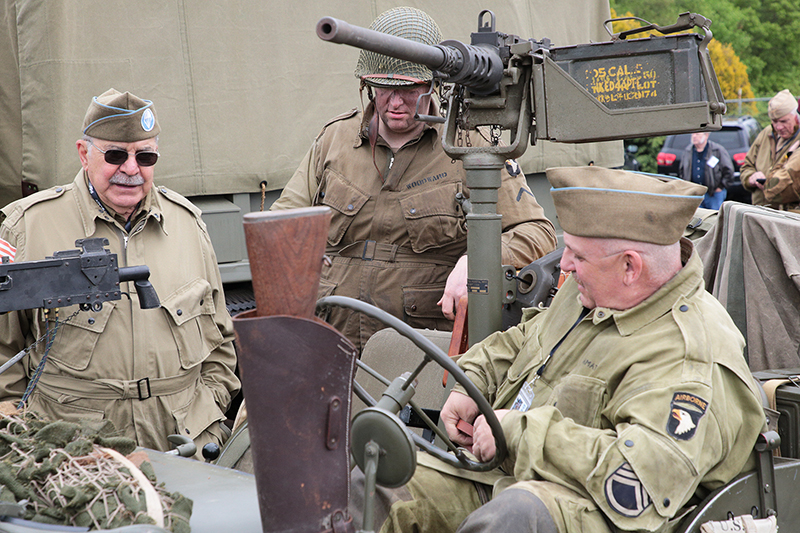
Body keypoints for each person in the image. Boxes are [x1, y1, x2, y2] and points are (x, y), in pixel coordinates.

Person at [355, 166, 767, 533]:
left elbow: (638, 483)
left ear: (630, 266)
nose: (563, 264)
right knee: (374, 482)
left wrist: (517, 433)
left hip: (607, 510)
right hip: (508, 476)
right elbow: (523, 341)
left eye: (578, 255)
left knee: (517, 515)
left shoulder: (690, 356)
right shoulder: (593, 291)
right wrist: (472, 384)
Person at [270, 7, 557, 352]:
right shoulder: (335, 140)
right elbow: (282, 223)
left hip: (419, 350)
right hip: (332, 337)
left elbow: (537, 233)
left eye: (409, 89)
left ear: (433, 84)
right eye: (383, 88)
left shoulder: (470, 145)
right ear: (367, 83)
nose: (394, 103)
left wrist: (478, 260)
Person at [0, 89, 240, 458]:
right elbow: (5, 355)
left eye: (145, 156)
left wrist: (209, 413)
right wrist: (23, 439)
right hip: (74, 451)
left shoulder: (188, 225)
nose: (131, 169)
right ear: (84, 153)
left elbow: (220, 342)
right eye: (114, 155)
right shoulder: (26, 227)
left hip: (183, 442)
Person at [741, 89, 800, 207]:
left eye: (784, 121)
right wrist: (751, 178)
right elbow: (746, 166)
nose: (779, 127)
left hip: (786, 216)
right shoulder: (766, 133)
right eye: (774, 121)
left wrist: (772, 185)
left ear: (796, 117)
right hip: (759, 210)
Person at [678, 131, 734, 209]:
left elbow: (729, 170)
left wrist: (720, 186)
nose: (694, 136)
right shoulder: (688, 151)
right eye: (693, 134)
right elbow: (682, 171)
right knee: (697, 219)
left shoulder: (717, 150)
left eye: (697, 134)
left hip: (713, 194)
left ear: (706, 135)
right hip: (695, 194)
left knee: (715, 218)